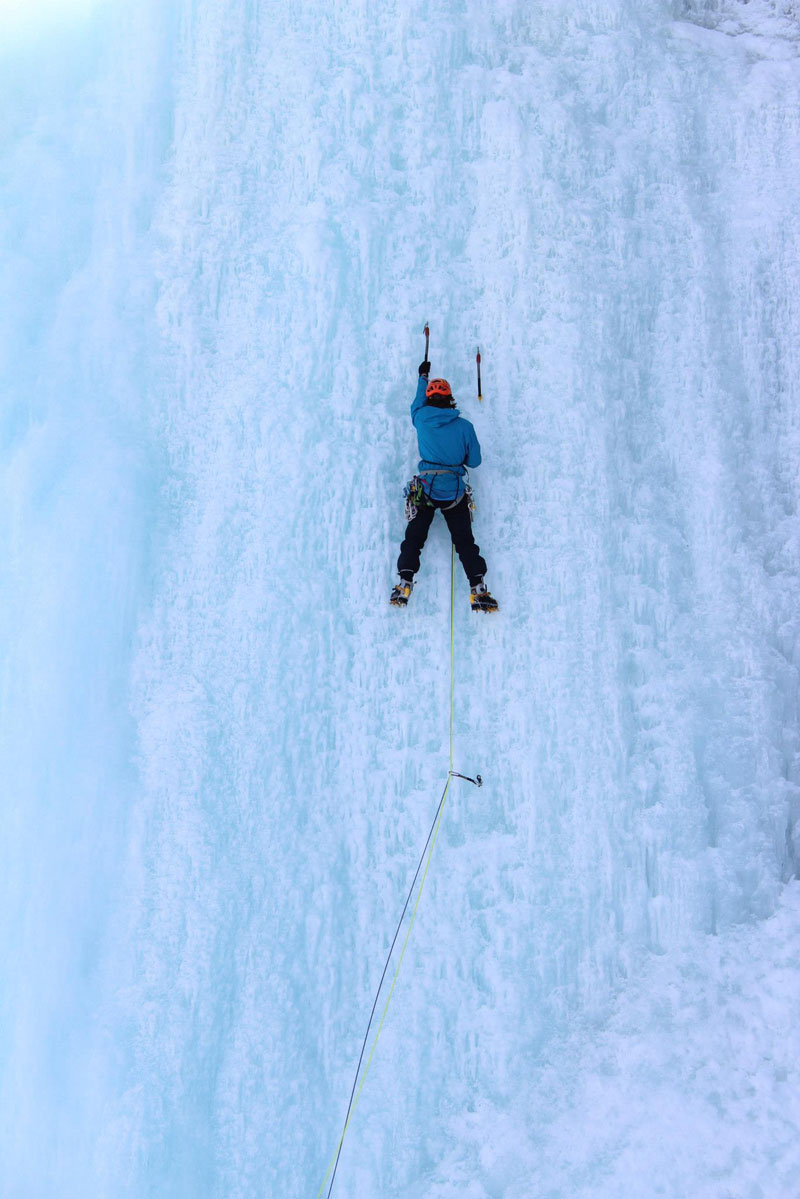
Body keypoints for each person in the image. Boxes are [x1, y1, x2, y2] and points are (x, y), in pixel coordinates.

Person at [390, 360, 499, 612]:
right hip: (453, 492)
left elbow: (416, 404)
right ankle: (478, 588)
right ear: (450, 398)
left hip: (426, 489)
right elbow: (476, 461)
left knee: (414, 537)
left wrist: (422, 376)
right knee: (464, 542)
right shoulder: (465, 427)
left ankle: (404, 581)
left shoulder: (420, 419)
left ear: (429, 399)